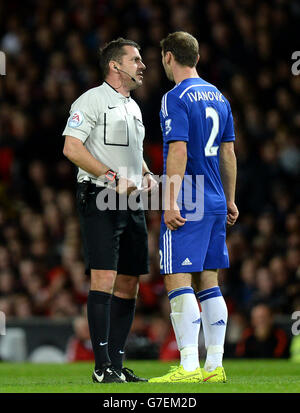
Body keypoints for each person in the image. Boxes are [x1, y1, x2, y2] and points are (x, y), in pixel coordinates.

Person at [62, 38, 157, 383]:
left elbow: (133, 152)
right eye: (136, 59)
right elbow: (71, 147)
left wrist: (145, 173)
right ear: (115, 66)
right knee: (104, 278)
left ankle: (117, 363)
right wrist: (112, 175)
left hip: (131, 200)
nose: (142, 65)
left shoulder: (133, 106)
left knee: (130, 281)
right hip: (101, 196)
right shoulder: (92, 100)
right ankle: (102, 367)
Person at [149, 32, 239, 383]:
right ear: (197, 57)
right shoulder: (218, 96)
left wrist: (169, 201)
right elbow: (229, 152)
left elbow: (179, 150)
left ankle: (188, 366)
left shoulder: (175, 97)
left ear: (169, 57)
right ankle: (214, 367)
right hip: (216, 198)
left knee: (177, 278)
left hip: (189, 199)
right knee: (209, 281)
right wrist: (229, 198)